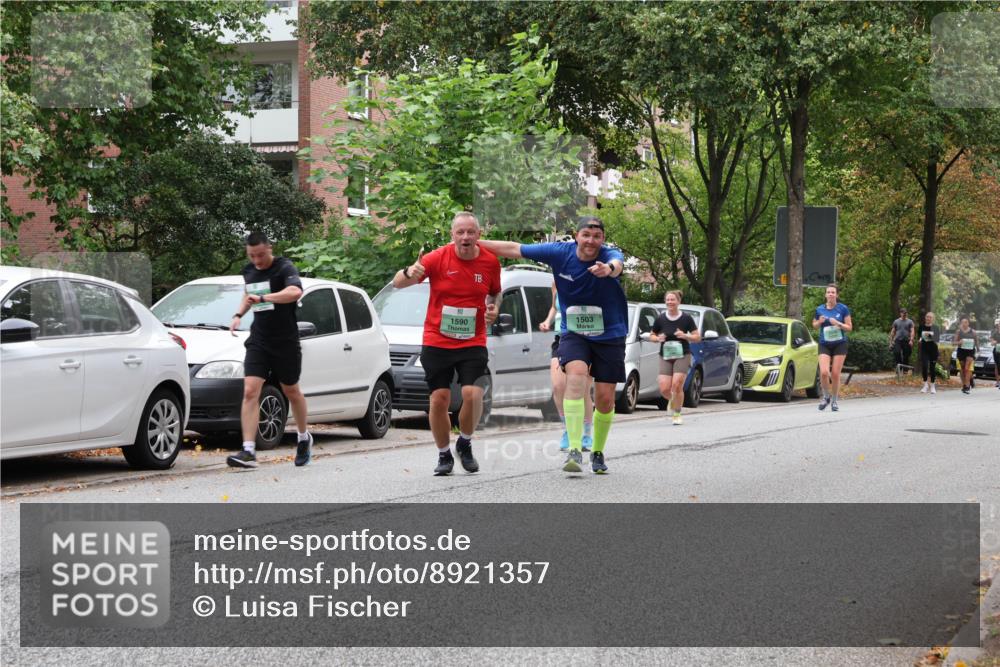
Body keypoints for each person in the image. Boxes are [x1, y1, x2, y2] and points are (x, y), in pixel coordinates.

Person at [480, 216, 627, 475]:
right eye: (586, 235)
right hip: (575, 332)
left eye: (597, 236)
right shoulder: (559, 252)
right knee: (575, 376)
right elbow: (514, 248)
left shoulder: (609, 254)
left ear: (602, 238)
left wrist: (609, 269)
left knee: (604, 399)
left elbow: (617, 264)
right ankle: (573, 448)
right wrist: (474, 241)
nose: (591, 241)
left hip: (609, 334)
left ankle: (598, 452)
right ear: (576, 235)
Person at [392, 212, 500, 476]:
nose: (465, 237)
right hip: (438, 338)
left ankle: (464, 441)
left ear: (478, 235)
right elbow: (397, 283)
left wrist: (494, 308)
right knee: (439, 399)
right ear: (452, 235)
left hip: (472, 339)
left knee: (472, 395)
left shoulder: (489, 262)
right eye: (460, 232)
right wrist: (409, 271)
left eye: (470, 232)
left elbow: (495, 292)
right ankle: (443, 455)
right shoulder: (437, 258)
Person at [227, 232, 312, 469]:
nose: (257, 261)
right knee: (250, 390)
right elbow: (248, 295)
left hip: (285, 341)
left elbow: (295, 292)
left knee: (291, 390)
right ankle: (248, 451)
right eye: (252, 255)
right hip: (259, 340)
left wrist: (264, 296)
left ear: (269, 248)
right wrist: (238, 315)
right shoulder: (249, 271)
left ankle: (304, 437)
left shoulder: (284, 268)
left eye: (261, 255)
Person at [539, 281, 594, 451]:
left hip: (585, 338)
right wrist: (547, 321)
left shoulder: (587, 280)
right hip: (561, 338)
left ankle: (585, 433)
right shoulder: (555, 283)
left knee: (582, 390)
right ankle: (568, 431)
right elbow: (555, 307)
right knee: (558, 386)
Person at [646, 290, 700, 426]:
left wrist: (685, 336)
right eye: (668, 300)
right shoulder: (661, 319)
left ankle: (677, 413)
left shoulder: (686, 318)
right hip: (665, 355)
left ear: (678, 302)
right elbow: (651, 336)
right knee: (664, 388)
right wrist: (658, 338)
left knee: (677, 384)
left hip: (682, 354)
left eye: (672, 300)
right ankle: (673, 400)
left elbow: (697, 337)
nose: (670, 302)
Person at [812, 283, 853, 412]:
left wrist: (839, 324)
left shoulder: (843, 309)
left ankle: (834, 400)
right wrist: (820, 322)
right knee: (824, 372)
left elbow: (849, 327)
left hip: (839, 344)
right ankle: (825, 396)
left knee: (835, 374)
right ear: (825, 295)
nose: (830, 294)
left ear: (837, 295)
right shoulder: (819, 309)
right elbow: (814, 325)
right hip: (824, 344)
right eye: (828, 292)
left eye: (833, 292)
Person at [917, 311, 941, 395]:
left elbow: (937, 340)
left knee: (932, 368)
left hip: (933, 350)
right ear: (925, 318)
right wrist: (920, 340)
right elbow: (919, 337)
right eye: (927, 317)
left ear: (933, 319)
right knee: (924, 366)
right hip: (924, 349)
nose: (928, 318)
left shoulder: (936, 327)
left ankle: (933, 386)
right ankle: (925, 385)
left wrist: (930, 337)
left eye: (930, 317)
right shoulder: (921, 327)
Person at [954, 316, 978, 394]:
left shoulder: (973, 332)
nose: (964, 324)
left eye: (966, 322)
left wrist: (978, 350)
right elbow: (954, 342)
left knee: (967, 368)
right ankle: (969, 381)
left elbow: (976, 342)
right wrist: (959, 342)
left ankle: (967, 386)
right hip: (961, 351)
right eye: (963, 322)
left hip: (970, 351)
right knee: (962, 369)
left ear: (968, 323)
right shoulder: (958, 332)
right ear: (961, 323)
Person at [991, 322, 1000, 390]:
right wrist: (994, 342)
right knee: (997, 365)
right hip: (997, 351)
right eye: (998, 324)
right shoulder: (995, 333)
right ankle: (997, 382)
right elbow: (992, 343)